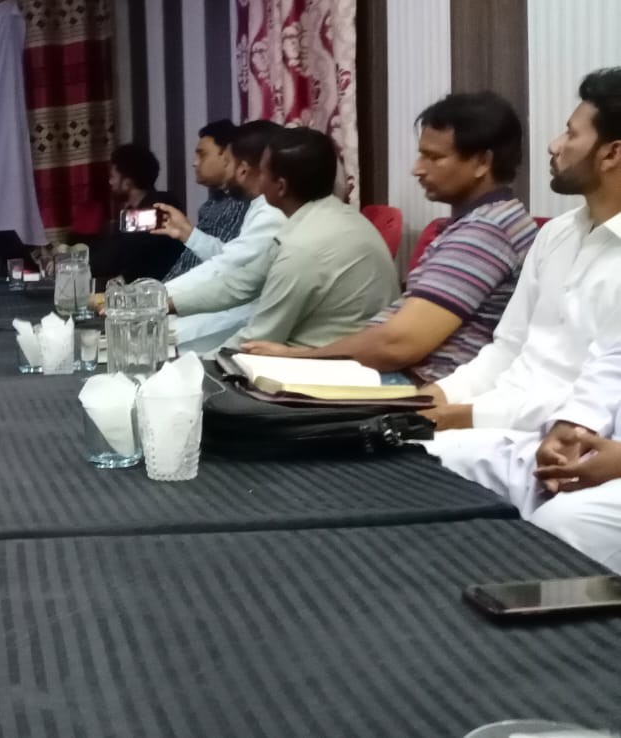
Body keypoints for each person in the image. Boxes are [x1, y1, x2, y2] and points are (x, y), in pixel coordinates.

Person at [423, 69, 621, 570]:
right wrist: (432, 401)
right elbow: (509, 349)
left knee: (563, 525)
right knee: (404, 463)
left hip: (574, 438)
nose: (554, 145)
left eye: (571, 133)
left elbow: (596, 378)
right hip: (538, 435)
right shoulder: (555, 234)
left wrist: (568, 433)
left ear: (612, 154)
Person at [241, 92, 538, 383]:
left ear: (482, 162)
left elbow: (399, 344)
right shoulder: (487, 221)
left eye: (434, 157)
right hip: (396, 374)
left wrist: (299, 357)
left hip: (419, 386)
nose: (417, 169)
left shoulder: (485, 231)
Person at [226, 128, 398, 347]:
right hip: (344, 352)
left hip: (324, 362)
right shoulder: (338, 217)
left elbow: (258, 340)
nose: (257, 179)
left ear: (280, 187)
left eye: (261, 173)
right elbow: (242, 282)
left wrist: (202, 361)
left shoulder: (303, 246)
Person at [153, 120, 288, 347]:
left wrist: (150, 299)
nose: (227, 170)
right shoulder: (259, 206)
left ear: (243, 169)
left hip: (245, 319)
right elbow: (234, 256)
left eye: (228, 161)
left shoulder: (271, 212)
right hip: (232, 309)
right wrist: (187, 233)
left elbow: (227, 267)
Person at [163, 120, 253, 280]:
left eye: (202, 154)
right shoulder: (212, 204)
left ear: (227, 155)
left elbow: (228, 264)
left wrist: (186, 231)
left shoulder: (243, 204)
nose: (195, 163)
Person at [86, 144, 186, 282]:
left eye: (113, 177)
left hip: (162, 289)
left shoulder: (154, 211)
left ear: (127, 183)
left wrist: (78, 266)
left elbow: (115, 257)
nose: (110, 182)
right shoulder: (143, 208)